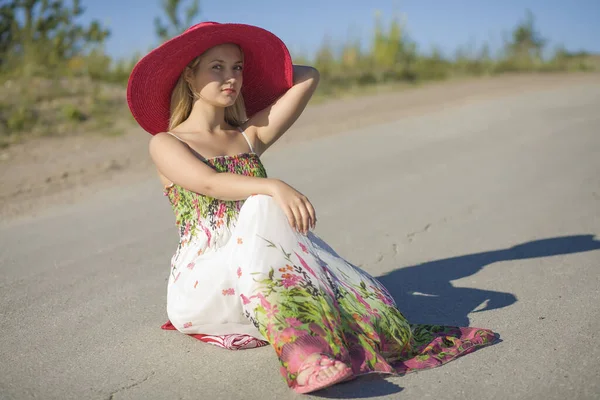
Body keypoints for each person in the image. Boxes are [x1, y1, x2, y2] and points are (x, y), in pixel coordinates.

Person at [127, 21, 497, 394]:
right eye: (216, 67)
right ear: (189, 77)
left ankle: (313, 350)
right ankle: (305, 359)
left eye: (238, 67)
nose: (231, 78)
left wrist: (258, 71)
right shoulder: (166, 142)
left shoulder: (246, 136)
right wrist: (272, 185)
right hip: (206, 289)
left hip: (257, 286)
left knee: (276, 220)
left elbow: (307, 76)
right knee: (262, 203)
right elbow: (209, 184)